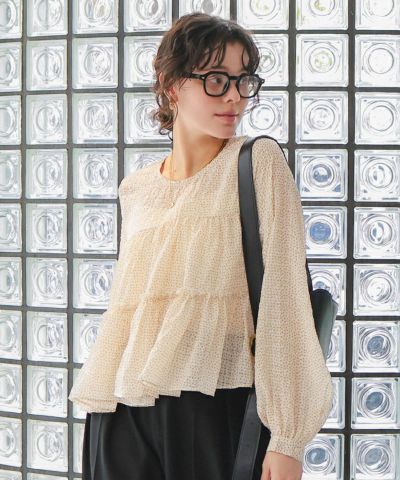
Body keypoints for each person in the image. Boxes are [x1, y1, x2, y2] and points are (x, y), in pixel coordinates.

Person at [68, 12, 334, 480]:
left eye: (243, 80)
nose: (234, 96)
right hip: (118, 411)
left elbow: (284, 300)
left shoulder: (257, 163)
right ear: (172, 86)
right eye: (215, 80)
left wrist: (288, 438)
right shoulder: (136, 188)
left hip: (209, 406)